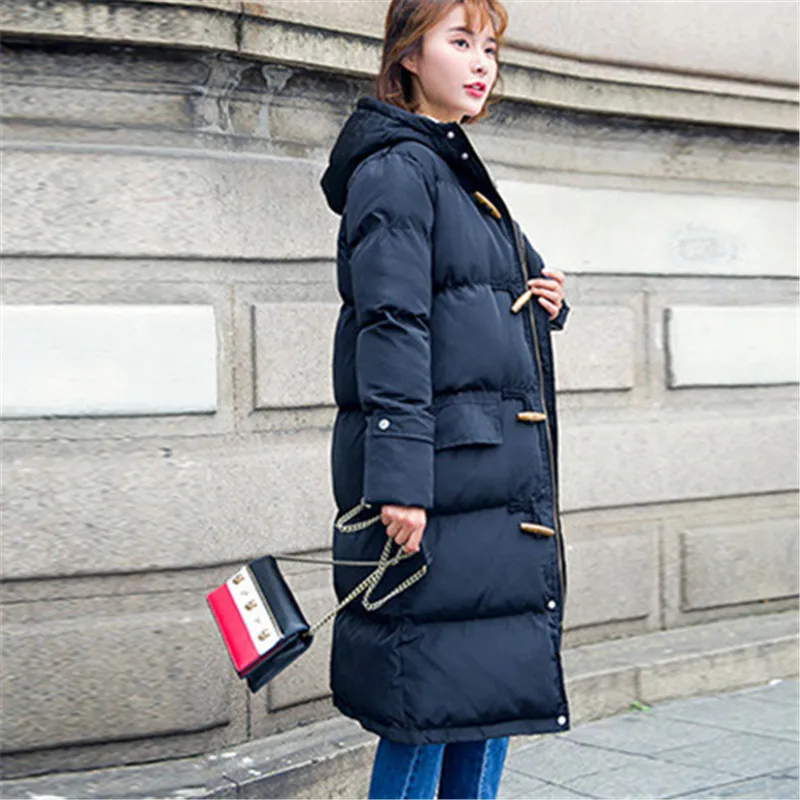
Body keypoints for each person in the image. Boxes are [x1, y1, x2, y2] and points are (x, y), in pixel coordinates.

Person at [319, 0, 571, 796]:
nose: (481, 62)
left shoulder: (450, 165)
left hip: (483, 479)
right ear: (407, 55)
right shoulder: (398, 168)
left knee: (484, 691)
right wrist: (398, 482)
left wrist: (548, 295)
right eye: (460, 42)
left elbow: (483, 292)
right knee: (426, 701)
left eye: (489, 47)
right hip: (441, 480)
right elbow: (391, 326)